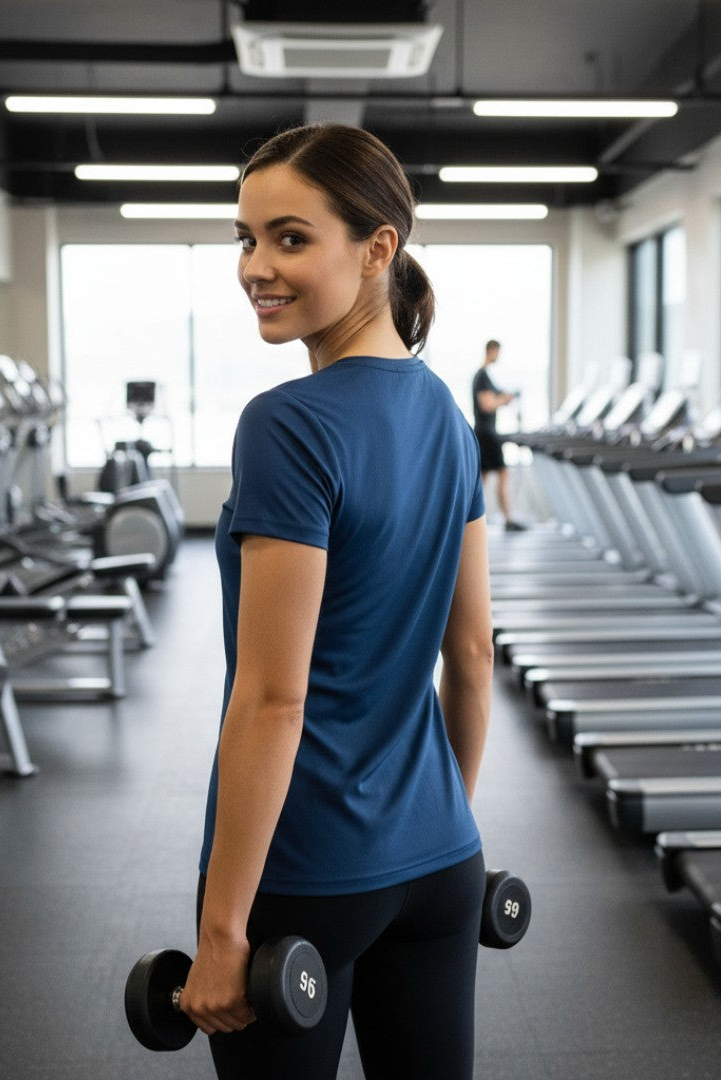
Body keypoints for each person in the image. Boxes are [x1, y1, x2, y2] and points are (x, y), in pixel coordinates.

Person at [177, 123, 494, 1080]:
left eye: (289, 238)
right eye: (246, 237)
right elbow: (473, 658)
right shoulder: (443, 409)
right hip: (440, 853)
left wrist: (224, 930)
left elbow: (274, 699)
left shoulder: (288, 424)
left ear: (378, 248)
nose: (255, 267)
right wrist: (443, 837)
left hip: (307, 865)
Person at [471, 340, 525, 531]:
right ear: (491, 351)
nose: (498, 357)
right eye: (497, 353)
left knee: (482, 478)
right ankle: (507, 519)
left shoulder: (485, 376)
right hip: (486, 434)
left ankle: (473, 519)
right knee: (501, 473)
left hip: (485, 433)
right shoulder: (482, 376)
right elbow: (487, 404)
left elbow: (493, 398)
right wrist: (504, 400)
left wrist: (503, 397)